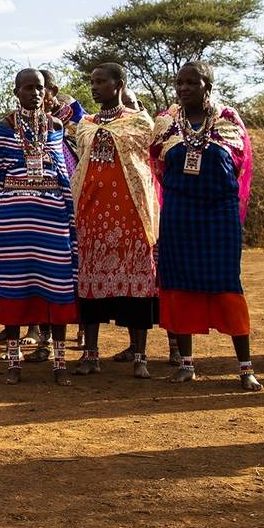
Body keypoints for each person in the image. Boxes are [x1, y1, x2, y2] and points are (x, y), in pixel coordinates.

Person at [150, 62, 260, 391]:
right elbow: (157, 164)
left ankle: (245, 367)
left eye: (192, 83)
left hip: (219, 214)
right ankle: (186, 364)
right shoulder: (166, 122)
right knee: (179, 285)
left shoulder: (228, 119)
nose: (184, 88)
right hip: (180, 213)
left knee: (227, 286)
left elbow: (239, 164)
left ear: (207, 86)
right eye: (179, 83)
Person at [0, 69, 78, 386]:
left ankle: (60, 363)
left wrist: (69, 217)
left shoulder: (56, 127)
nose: (35, 93)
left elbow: (63, 173)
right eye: (28, 88)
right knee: (13, 291)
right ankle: (13, 363)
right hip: (14, 223)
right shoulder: (1, 129)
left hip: (52, 222)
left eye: (39, 88)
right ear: (16, 91)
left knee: (59, 289)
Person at [66, 64, 160, 379]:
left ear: (118, 84)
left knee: (137, 282)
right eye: (92, 82)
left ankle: (140, 357)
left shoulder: (140, 122)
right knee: (90, 283)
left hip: (130, 214)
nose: (94, 87)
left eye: (101, 82)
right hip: (91, 214)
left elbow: (145, 162)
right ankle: (90, 355)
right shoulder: (85, 124)